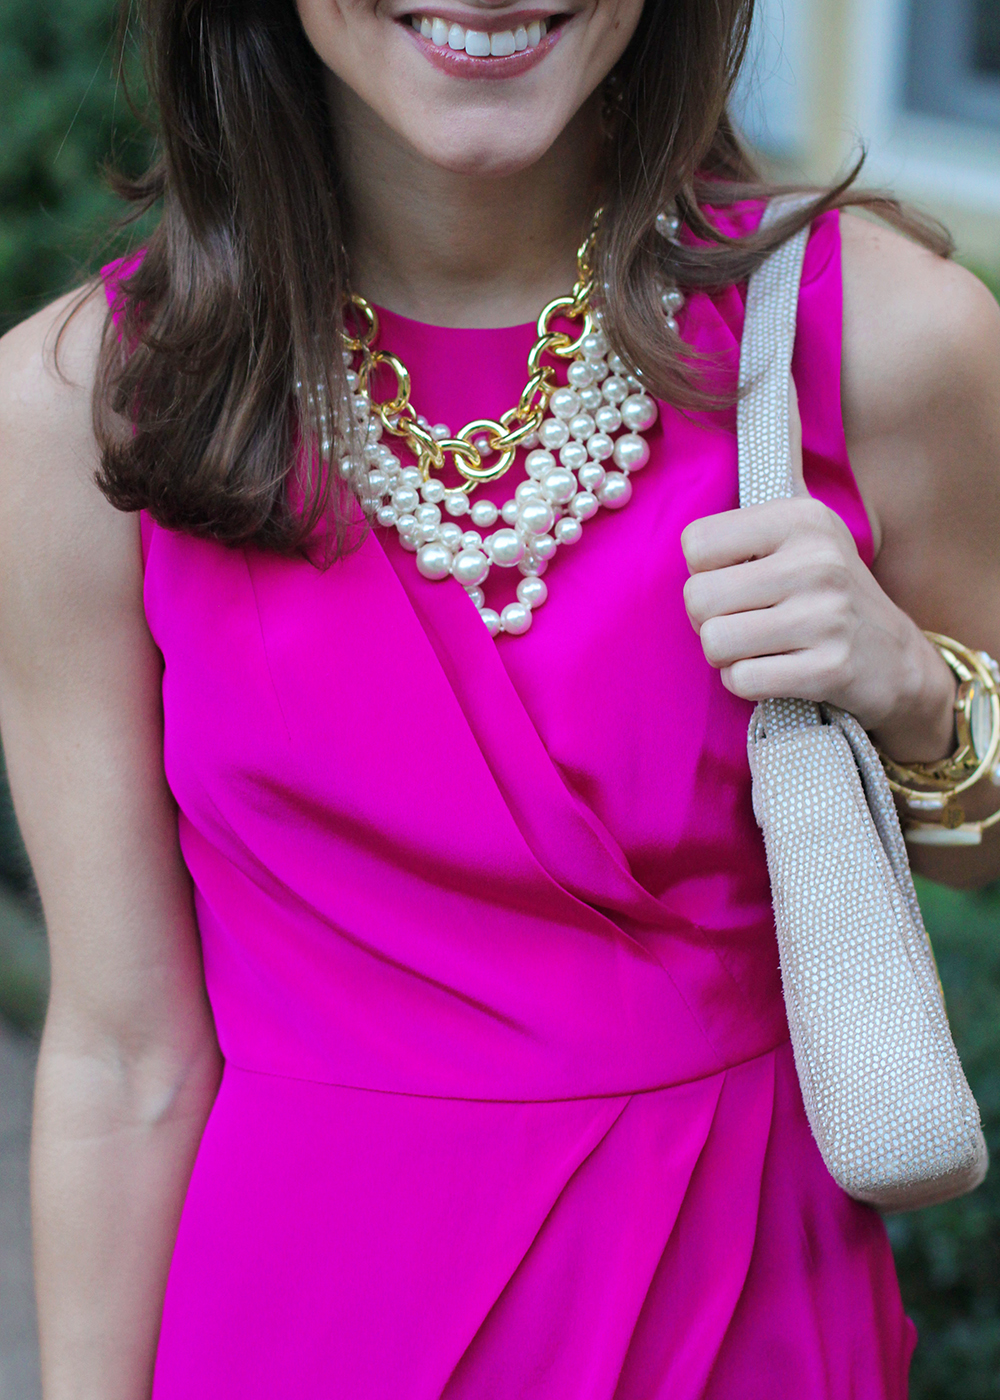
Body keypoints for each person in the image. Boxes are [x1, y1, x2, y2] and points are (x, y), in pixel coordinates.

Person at [1, 0, 998, 1394]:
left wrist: (915, 695)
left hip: (747, 1312)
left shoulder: (889, 344)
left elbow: (983, 852)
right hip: (297, 1327)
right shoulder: (83, 410)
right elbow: (121, 1058)